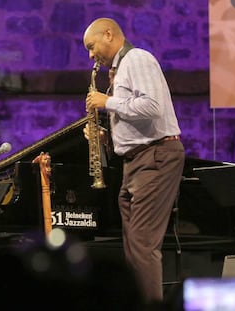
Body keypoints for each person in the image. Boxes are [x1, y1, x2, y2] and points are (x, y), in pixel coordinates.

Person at [83, 18, 185, 306]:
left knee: (142, 245)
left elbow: (152, 106)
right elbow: (135, 117)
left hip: (155, 156)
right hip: (136, 161)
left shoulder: (137, 58)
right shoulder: (120, 69)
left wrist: (107, 103)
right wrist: (105, 136)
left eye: (92, 47)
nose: (91, 55)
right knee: (134, 247)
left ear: (108, 34)